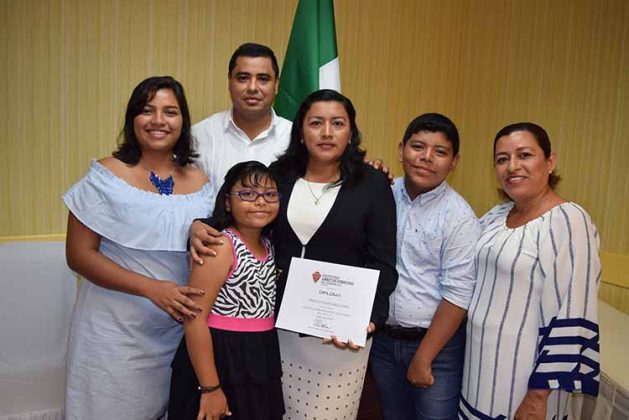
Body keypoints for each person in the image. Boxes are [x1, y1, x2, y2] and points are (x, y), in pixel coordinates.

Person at [63, 76, 213, 419]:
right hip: (112, 334)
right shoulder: (106, 175)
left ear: (183, 121)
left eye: (170, 112)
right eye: (148, 110)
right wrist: (153, 289)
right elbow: (79, 255)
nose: (159, 120)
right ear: (133, 119)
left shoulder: (202, 182)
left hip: (177, 336)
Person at [269, 89, 398, 418]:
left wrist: (369, 317)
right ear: (301, 131)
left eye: (337, 123)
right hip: (280, 327)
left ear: (351, 132)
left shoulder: (372, 184)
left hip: (341, 334)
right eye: (316, 123)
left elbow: (383, 260)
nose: (327, 133)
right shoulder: (278, 176)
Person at [459, 122, 601, 419]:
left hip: (526, 383)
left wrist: (538, 396)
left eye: (524, 155)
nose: (512, 166)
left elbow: (574, 311)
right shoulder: (497, 216)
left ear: (550, 162)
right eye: (502, 159)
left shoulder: (568, 219)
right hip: (479, 372)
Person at [369, 113, 481, 419]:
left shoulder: (459, 217)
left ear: (454, 161)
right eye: (418, 146)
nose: (426, 158)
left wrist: (424, 357)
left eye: (440, 152)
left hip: (437, 347)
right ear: (401, 149)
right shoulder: (381, 194)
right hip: (382, 341)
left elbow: (458, 294)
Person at [168, 161, 284, 420]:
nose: (260, 201)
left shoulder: (269, 244)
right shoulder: (220, 245)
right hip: (220, 356)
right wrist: (210, 387)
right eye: (247, 194)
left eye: (270, 194)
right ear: (228, 202)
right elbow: (194, 318)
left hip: (259, 355)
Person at [192, 43, 292, 194]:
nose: (252, 87)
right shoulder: (199, 135)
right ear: (229, 82)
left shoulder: (295, 137)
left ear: (276, 85)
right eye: (243, 78)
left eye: (263, 79)